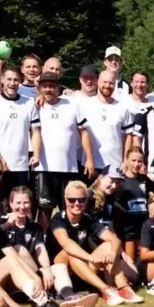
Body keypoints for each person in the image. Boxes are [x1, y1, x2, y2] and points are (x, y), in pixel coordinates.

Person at [46, 181, 142, 306]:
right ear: (65, 199)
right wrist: (91, 258)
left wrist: (113, 253)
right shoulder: (58, 219)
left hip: (83, 268)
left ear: (86, 200)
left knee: (110, 246)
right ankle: (106, 290)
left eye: (81, 200)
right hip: (60, 270)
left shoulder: (87, 218)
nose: (77, 204)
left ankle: (123, 288)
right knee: (70, 252)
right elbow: (66, 243)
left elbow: (114, 239)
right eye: (72, 200)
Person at [35, 72, 95, 228]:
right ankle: (45, 242)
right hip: (43, 168)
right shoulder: (34, 106)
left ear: (58, 88)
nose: (48, 90)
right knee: (44, 210)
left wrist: (89, 158)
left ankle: (68, 241)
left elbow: (84, 132)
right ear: (40, 88)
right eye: (45, 86)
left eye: (52, 86)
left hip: (68, 167)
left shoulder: (72, 105)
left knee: (69, 208)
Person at [0, 66, 41, 189]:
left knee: (20, 204)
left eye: (15, 80)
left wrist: (36, 154)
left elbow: (35, 132)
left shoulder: (29, 102)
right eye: (9, 79)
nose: (12, 83)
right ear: (2, 80)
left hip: (22, 166)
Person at [80, 70, 133, 176]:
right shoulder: (84, 104)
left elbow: (128, 136)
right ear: (98, 82)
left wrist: (126, 160)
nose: (108, 85)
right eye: (105, 82)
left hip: (115, 165)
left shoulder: (122, 107)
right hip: (90, 165)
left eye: (111, 83)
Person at [113, 148, 154, 262]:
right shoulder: (120, 180)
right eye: (133, 160)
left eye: (140, 161)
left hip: (143, 225)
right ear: (126, 160)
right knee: (130, 262)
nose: (136, 164)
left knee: (141, 260)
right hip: (127, 228)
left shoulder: (143, 179)